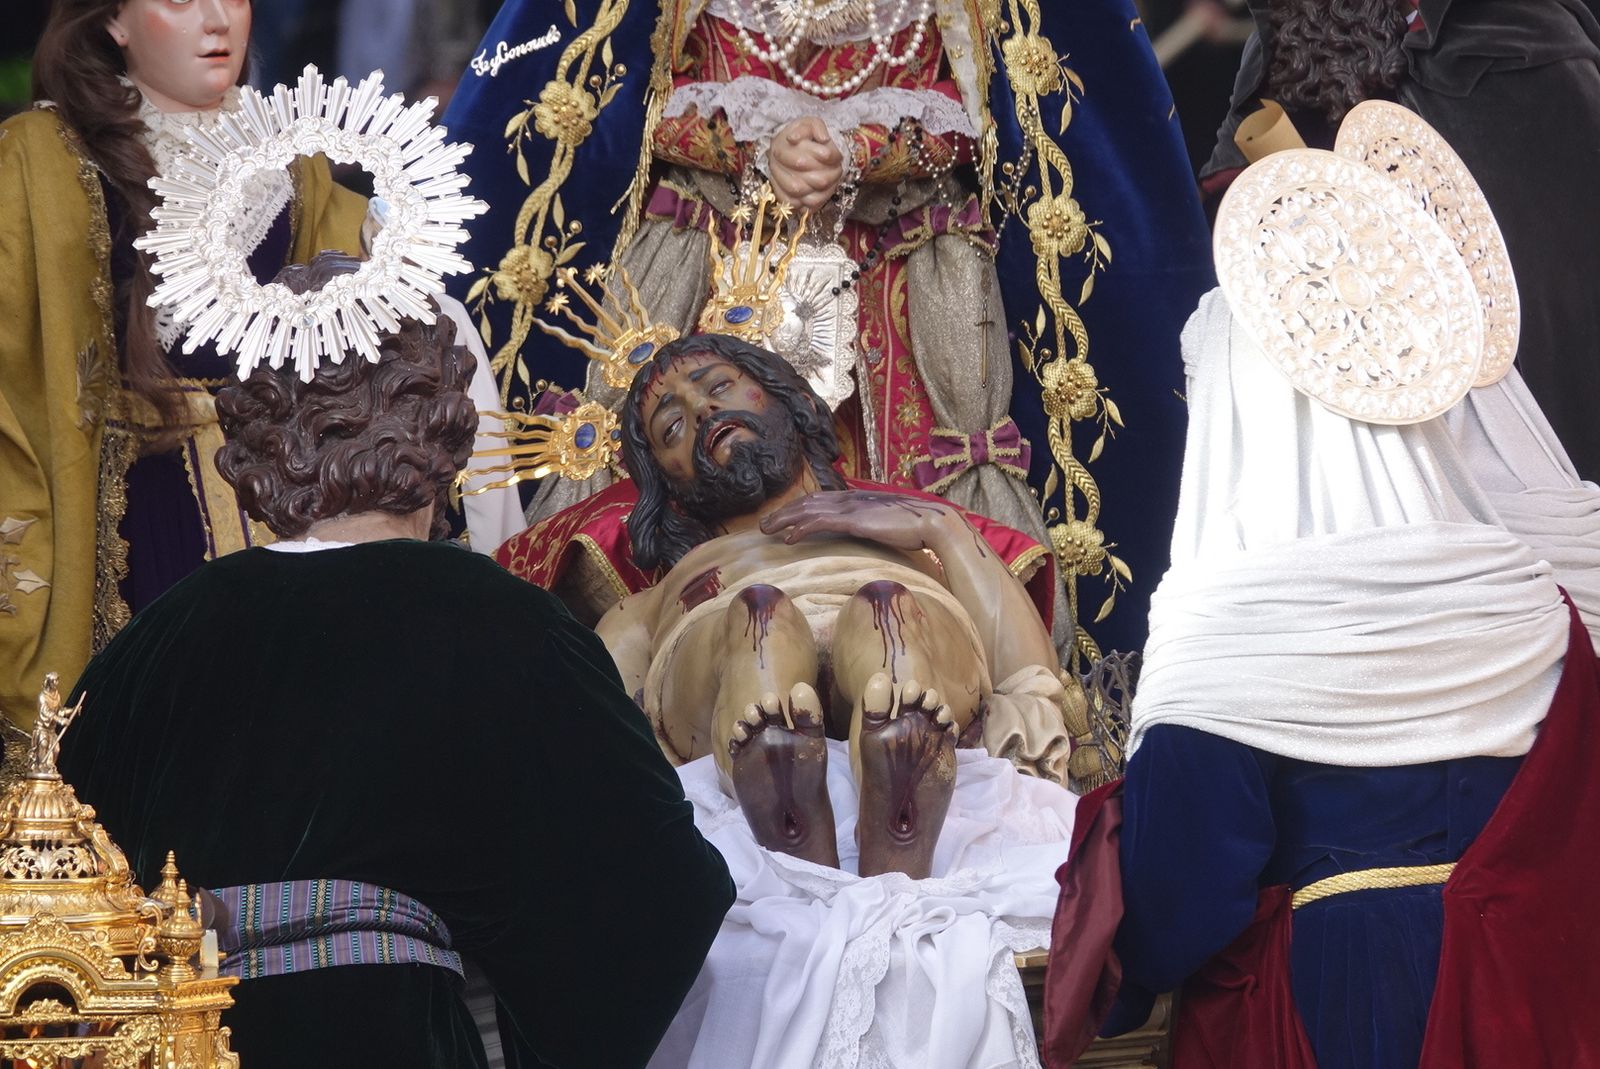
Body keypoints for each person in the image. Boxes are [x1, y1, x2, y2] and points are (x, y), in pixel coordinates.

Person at [59, 253, 734, 1069]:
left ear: (252, 440)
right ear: (441, 427)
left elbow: (54, 934)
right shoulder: (504, 624)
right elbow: (659, 897)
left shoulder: (140, 653)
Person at [444, 0, 1217, 659]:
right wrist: (753, 150)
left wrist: (860, 151)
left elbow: (1002, 108)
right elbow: (624, 99)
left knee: (919, 604)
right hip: (706, 265)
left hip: (912, 285)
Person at [0, 0, 366, 727]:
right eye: (178, 0)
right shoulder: (41, 158)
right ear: (114, 23)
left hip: (282, 514)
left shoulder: (294, 159)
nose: (217, 20)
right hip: (135, 522)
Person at [594, 332, 1072, 880]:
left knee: (883, 610)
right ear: (665, 486)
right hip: (721, 637)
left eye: (720, 386)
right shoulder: (655, 602)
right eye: (671, 428)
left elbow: (1029, 680)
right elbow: (603, 739)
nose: (702, 411)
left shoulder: (920, 538)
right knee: (759, 620)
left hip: (905, 624)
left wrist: (940, 529)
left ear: (788, 396)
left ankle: (890, 785)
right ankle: (782, 782)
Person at [1200, 0, 1600, 479]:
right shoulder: (1286, 44)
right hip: (1391, 375)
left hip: (1532, 340)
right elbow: (1241, 201)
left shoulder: (1514, 33)